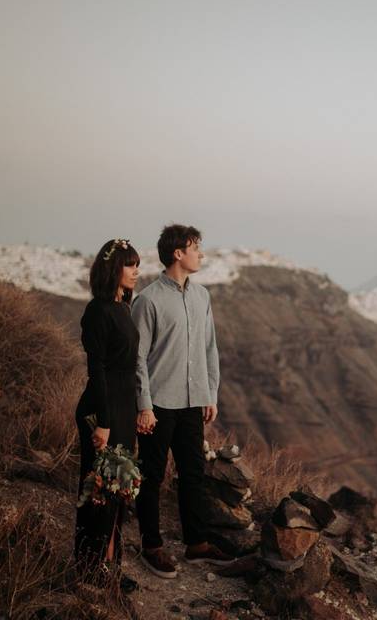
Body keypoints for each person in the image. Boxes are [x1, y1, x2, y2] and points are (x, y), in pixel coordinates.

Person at [132, 224, 234, 578]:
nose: (201, 254)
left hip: (193, 402)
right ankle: (151, 546)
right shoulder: (147, 301)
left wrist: (210, 393)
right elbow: (137, 359)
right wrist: (143, 405)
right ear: (178, 253)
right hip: (157, 405)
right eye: (196, 248)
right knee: (151, 476)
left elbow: (209, 349)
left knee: (193, 474)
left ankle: (197, 544)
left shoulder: (202, 296)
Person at [74, 238, 141, 592]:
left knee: (118, 491)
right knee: (97, 491)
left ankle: (110, 564)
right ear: (113, 268)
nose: (136, 271)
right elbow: (96, 369)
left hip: (123, 410)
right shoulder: (98, 310)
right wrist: (103, 421)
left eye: (136, 264)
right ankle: (90, 570)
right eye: (130, 265)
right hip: (102, 412)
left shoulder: (122, 307)